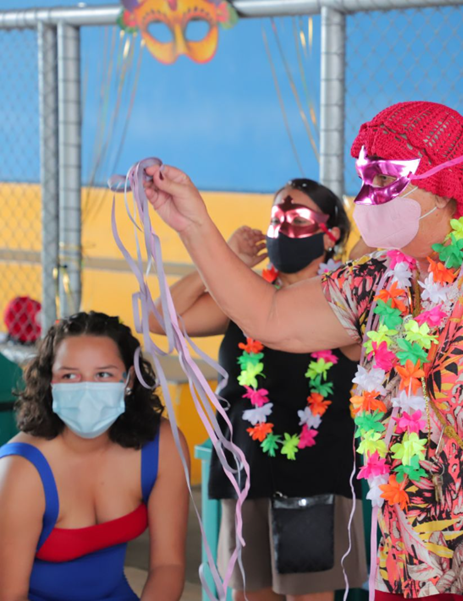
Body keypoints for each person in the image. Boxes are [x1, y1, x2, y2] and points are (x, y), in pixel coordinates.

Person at [143, 101, 463, 600]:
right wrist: (194, 225)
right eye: (367, 179)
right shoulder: (376, 278)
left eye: (389, 179)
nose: (370, 197)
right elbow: (271, 318)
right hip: (413, 551)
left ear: (443, 183)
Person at [149, 178, 367, 601]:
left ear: (332, 234)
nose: (283, 230)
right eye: (277, 219)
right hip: (248, 479)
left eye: (298, 220)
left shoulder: (341, 299)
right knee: (252, 596)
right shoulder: (245, 300)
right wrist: (227, 259)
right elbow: (161, 319)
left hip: (314, 485)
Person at [0, 311, 189, 601]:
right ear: (51, 382)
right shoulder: (20, 470)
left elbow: (168, 565)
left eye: (103, 374)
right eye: (70, 375)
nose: (86, 389)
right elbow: (9, 595)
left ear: (129, 381)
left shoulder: (163, 445)